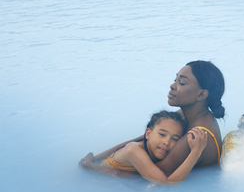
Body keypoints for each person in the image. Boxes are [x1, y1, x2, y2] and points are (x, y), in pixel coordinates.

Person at [81, 60, 225, 178]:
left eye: (182, 83)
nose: (172, 86)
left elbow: (152, 177)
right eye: (175, 80)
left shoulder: (196, 135)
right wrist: (97, 158)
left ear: (201, 95)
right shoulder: (187, 114)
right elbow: (143, 138)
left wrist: (93, 168)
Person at [81, 110, 208, 184]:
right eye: (162, 134)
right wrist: (196, 151)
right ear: (148, 133)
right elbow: (167, 183)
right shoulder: (134, 150)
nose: (166, 142)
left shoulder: (152, 144)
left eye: (174, 139)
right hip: (103, 182)